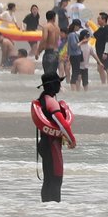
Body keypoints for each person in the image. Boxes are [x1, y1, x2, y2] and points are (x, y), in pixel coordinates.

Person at [32, 73, 76, 202]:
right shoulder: (52, 102)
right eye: (58, 83)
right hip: (52, 146)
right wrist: (71, 139)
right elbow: (62, 124)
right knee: (56, 179)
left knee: (48, 180)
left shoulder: (43, 99)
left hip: (44, 143)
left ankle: (46, 208)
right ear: (53, 85)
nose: (60, 86)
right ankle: (55, 210)